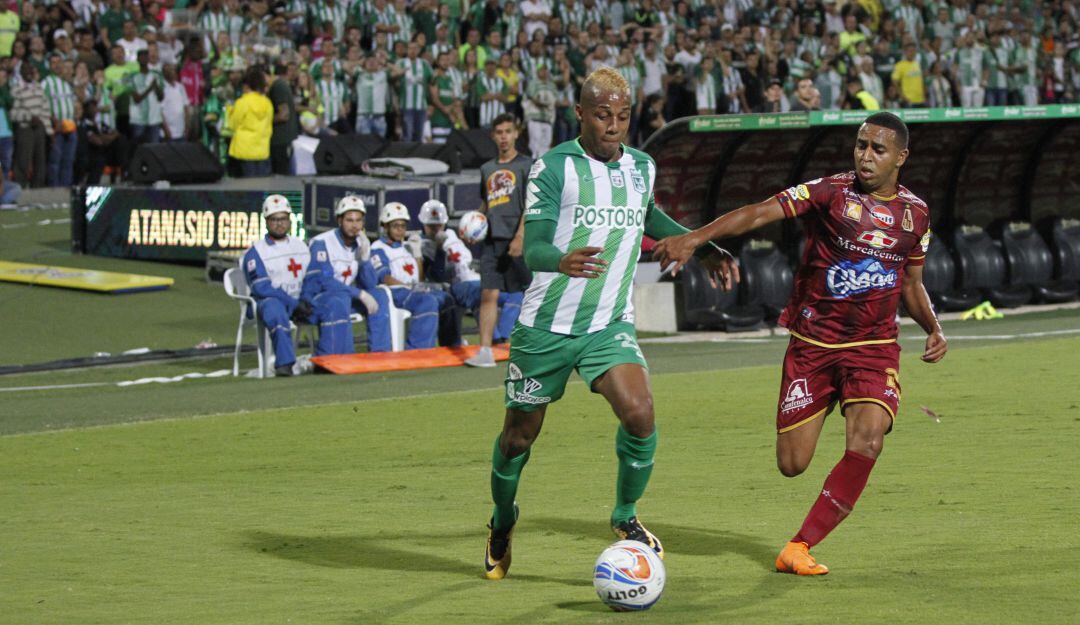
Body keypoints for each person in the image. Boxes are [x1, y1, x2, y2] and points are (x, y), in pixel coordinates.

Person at [653, 112, 947, 576]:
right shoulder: (829, 192)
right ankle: (825, 403)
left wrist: (933, 327)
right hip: (813, 344)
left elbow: (911, 283)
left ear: (901, 157)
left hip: (873, 347)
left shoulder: (916, 215)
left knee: (869, 440)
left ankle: (799, 546)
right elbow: (759, 211)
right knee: (792, 463)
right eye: (861, 145)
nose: (866, 156)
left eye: (878, 149)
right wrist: (696, 238)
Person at [482, 68, 738, 580]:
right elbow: (533, 247)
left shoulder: (642, 166)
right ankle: (502, 519)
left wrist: (700, 246)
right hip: (546, 326)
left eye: (623, 116)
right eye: (603, 115)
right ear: (580, 114)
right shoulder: (554, 167)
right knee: (517, 439)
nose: (614, 125)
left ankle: (625, 516)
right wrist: (560, 260)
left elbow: (648, 216)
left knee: (640, 414)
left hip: (608, 323)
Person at [242, 194, 352, 376]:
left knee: (334, 303)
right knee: (273, 307)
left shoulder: (300, 245)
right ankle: (285, 364)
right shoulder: (255, 252)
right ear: (266, 221)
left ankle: (326, 361)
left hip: (301, 301)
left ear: (289, 220)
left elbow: (311, 277)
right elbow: (262, 288)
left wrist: (305, 298)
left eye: (283, 219)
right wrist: (294, 303)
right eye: (274, 219)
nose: (279, 223)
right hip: (275, 302)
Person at [465, 113, 532, 368]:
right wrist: (472, 225)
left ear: (516, 134)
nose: (504, 137)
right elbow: (487, 203)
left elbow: (531, 204)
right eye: (499, 132)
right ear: (493, 136)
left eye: (508, 132)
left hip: (518, 240)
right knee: (488, 294)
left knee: (532, 294)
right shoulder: (487, 169)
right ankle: (485, 351)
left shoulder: (527, 165)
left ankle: (539, 346)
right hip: (492, 241)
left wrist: (520, 236)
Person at [419, 199, 522, 343]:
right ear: (423, 224)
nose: (436, 229)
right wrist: (439, 250)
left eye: (439, 225)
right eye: (431, 226)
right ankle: (495, 340)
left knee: (516, 293)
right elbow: (438, 275)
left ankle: (502, 337)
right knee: (481, 296)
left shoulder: (451, 233)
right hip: (457, 284)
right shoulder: (421, 244)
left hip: (477, 278)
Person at [303, 196, 394, 353]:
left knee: (379, 295)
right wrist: (359, 294)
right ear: (339, 220)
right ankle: (343, 358)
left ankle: (380, 354)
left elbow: (371, 284)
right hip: (318, 301)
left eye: (358, 220)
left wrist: (364, 260)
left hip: (345, 297)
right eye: (349, 220)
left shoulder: (361, 244)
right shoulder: (322, 243)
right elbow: (323, 281)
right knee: (341, 299)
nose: (355, 225)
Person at [370, 202, 461, 349]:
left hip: (412, 291)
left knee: (446, 298)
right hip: (395, 292)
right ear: (385, 226)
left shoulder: (406, 247)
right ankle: (418, 350)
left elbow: (419, 278)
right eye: (395, 226)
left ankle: (451, 346)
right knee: (428, 301)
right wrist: (410, 287)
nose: (400, 230)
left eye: (403, 226)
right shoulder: (377, 248)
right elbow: (384, 278)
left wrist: (417, 254)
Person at [10, 63, 50, 188]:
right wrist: (29, 118)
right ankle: (20, 187)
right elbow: (13, 114)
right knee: (23, 159)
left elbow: (45, 110)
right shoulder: (16, 89)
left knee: (40, 160)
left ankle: (37, 189)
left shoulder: (38, 88)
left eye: (30, 69)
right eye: (25, 70)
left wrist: (49, 131)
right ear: (20, 72)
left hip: (40, 128)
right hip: (25, 128)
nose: (28, 72)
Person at [228, 66, 273, 177]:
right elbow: (269, 125)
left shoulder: (242, 102)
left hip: (244, 150)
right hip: (263, 150)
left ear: (246, 86)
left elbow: (232, 124)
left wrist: (229, 112)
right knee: (262, 184)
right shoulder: (268, 103)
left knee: (246, 185)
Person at [127, 48, 163, 147]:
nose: (144, 59)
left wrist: (156, 87)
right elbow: (137, 99)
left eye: (146, 57)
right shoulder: (131, 77)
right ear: (137, 59)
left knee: (155, 148)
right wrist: (150, 88)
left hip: (154, 118)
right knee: (138, 148)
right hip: (138, 119)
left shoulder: (157, 75)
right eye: (141, 57)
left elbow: (161, 97)